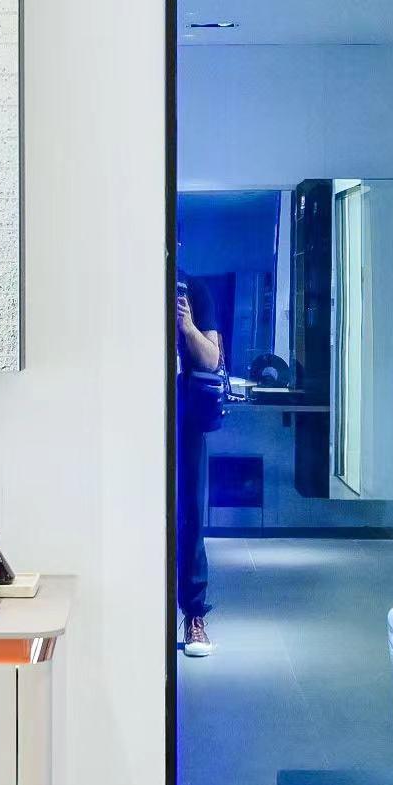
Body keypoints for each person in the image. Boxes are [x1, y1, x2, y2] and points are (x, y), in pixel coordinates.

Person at [174, 279, 223, 657]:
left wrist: (187, 327)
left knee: (190, 510)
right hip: (135, 413)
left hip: (185, 415)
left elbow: (212, 360)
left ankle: (194, 615)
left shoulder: (192, 291)